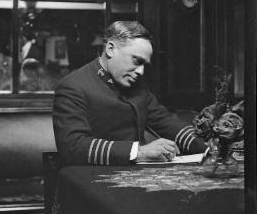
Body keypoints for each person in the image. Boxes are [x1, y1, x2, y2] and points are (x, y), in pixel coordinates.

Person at [53, 20, 207, 166]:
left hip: (137, 175)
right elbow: (72, 147)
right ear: (111, 49)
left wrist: (210, 146)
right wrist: (140, 152)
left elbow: (166, 122)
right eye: (136, 61)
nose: (141, 72)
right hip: (92, 178)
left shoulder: (137, 85)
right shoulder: (73, 86)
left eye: (144, 65)